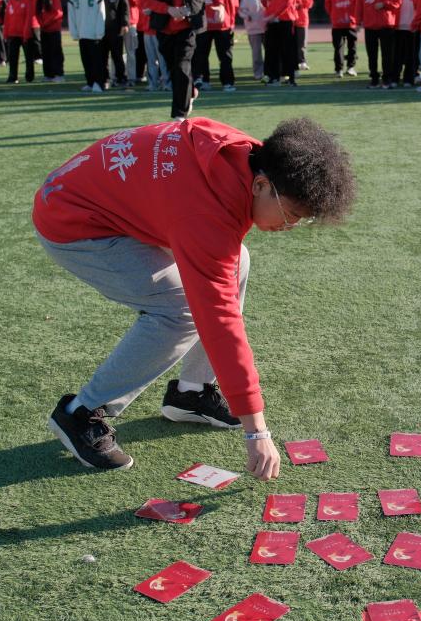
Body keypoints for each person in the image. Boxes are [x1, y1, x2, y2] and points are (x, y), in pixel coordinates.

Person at [33, 116, 357, 478]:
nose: (290, 226)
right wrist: (257, 431)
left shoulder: (248, 155)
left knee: (237, 262)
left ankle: (191, 392)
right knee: (181, 311)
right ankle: (80, 412)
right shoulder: (206, 213)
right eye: (291, 214)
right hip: (73, 220)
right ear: (261, 185)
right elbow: (220, 322)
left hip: (106, 200)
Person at [143, 0, 218, 119]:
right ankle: (190, 91)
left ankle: (179, 114)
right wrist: (167, 9)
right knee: (173, 70)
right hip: (164, 27)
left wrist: (221, 5)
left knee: (182, 65)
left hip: (187, 27)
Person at [195, 0, 238, 92]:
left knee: (201, 54)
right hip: (222, 22)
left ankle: (204, 81)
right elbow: (230, 0)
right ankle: (227, 83)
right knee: (225, 55)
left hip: (204, 22)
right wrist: (231, 21)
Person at [357, 0, 400, 89]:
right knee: (372, 54)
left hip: (386, 25)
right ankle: (374, 79)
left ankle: (387, 79)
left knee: (387, 54)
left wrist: (384, 4)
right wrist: (358, 21)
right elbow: (359, 4)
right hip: (370, 25)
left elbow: (397, 2)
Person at [262, 0, 301, 86]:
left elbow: (288, 1)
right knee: (273, 50)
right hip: (276, 19)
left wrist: (274, 15)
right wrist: (269, 1)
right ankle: (276, 78)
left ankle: (290, 79)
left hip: (284, 19)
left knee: (287, 50)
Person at [67, 0, 107, 94]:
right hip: (82, 34)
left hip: (94, 34)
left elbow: (101, 14)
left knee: (96, 61)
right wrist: (74, 32)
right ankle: (90, 82)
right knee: (86, 60)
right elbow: (71, 15)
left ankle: (99, 83)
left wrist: (99, 31)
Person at [94, 0, 131, 89]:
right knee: (101, 56)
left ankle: (121, 79)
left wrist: (125, 24)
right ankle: (104, 80)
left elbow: (125, 7)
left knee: (117, 55)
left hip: (114, 28)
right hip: (98, 29)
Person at [324, 0, 358, 77]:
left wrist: (333, 14)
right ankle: (351, 67)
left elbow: (327, 4)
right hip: (351, 23)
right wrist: (356, 18)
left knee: (338, 47)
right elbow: (358, 5)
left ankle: (339, 70)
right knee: (352, 46)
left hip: (337, 23)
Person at [4, 0, 37, 84]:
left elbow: (28, 17)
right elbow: (7, 18)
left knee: (28, 57)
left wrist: (26, 33)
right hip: (12, 34)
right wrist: (5, 33)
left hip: (25, 34)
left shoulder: (28, 0)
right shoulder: (11, 1)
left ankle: (29, 76)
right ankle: (13, 77)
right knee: (13, 57)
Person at [35, 0, 65, 82]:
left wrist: (46, 23)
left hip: (54, 30)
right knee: (46, 52)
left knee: (56, 52)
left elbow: (58, 13)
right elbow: (37, 13)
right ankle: (48, 74)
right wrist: (41, 23)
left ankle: (59, 74)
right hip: (44, 30)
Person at [394, 0, 421, 87]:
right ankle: (395, 78)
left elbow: (420, 7)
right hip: (399, 26)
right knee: (398, 54)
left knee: (411, 55)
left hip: (412, 27)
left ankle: (408, 79)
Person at [239, 0, 267, 81]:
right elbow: (241, 11)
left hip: (266, 28)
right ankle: (258, 73)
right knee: (256, 54)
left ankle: (269, 72)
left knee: (270, 52)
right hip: (253, 29)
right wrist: (247, 16)